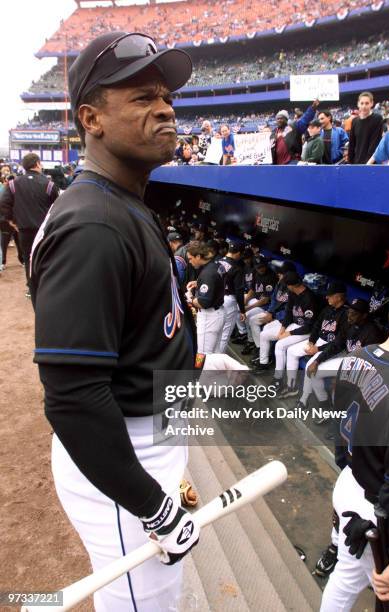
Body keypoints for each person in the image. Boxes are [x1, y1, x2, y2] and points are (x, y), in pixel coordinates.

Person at [29, 31, 244, 612]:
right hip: (126, 456)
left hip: (151, 432)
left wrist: (193, 361)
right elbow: (72, 398)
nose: (166, 108)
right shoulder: (94, 226)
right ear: (91, 118)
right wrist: (154, 506)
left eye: (167, 96)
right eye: (143, 97)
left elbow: (137, 336)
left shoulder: (124, 202)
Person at [320, 283, 389, 611]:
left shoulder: (357, 358)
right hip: (382, 511)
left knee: (347, 574)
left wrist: (350, 467)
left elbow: (338, 425)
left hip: (351, 485)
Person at [0, 153, 59, 295]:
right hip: (44, 229)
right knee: (47, 256)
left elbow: (3, 203)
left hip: (24, 229)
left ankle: (32, 289)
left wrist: (11, 221)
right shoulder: (49, 184)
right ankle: (46, 288)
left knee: (29, 258)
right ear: (38, 164)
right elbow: (57, 205)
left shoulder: (14, 184)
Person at [293, 282, 347, 409]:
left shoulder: (346, 314)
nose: (327, 298)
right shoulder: (327, 308)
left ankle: (304, 399)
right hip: (318, 342)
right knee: (292, 352)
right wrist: (312, 341)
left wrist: (318, 348)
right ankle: (296, 391)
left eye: (330, 295)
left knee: (309, 367)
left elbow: (339, 342)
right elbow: (317, 325)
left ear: (339, 297)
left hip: (333, 348)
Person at [271, 271, 319, 395]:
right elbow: (288, 313)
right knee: (280, 342)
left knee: (281, 345)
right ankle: (279, 379)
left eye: (287, 285)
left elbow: (309, 326)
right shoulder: (293, 293)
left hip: (307, 330)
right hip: (296, 325)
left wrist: (289, 333)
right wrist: (283, 328)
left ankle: (282, 381)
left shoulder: (309, 298)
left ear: (291, 285)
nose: (287, 287)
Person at [251, 261, 296, 373]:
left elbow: (290, 311)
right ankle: (264, 354)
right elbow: (274, 300)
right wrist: (270, 313)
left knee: (265, 333)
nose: (278, 276)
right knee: (262, 326)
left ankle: (264, 362)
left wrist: (275, 316)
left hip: (288, 321)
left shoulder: (293, 288)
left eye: (281, 274)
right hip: (277, 316)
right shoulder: (280, 283)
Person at [187, 240, 225, 353]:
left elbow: (203, 303)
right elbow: (216, 282)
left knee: (204, 356)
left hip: (210, 316)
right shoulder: (217, 263)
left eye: (190, 258)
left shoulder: (207, 274)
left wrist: (190, 298)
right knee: (215, 354)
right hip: (219, 312)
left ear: (198, 256)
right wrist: (199, 283)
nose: (189, 262)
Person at [241, 256, 277, 356]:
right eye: (258, 267)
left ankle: (258, 347)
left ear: (265, 265)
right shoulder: (256, 272)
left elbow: (265, 300)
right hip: (257, 300)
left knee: (249, 317)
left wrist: (248, 307)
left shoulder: (271, 277)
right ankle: (250, 340)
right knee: (243, 310)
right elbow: (252, 289)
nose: (260, 269)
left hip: (266, 306)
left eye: (261, 267)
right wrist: (245, 301)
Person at [271, 100, 319, 165]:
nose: (279, 120)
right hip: (278, 165)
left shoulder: (294, 127)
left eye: (281, 118)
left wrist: (313, 108)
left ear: (286, 119)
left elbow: (305, 119)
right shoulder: (274, 132)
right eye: (277, 118)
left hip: (291, 162)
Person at [218, 241, 246, 352]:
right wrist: (242, 310)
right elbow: (239, 291)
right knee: (224, 334)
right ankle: (218, 362)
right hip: (228, 299)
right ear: (238, 253)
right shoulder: (237, 267)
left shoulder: (217, 261)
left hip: (215, 297)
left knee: (216, 331)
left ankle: (210, 359)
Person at [348, 92, 384, 164]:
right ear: (358, 104)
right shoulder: (354, 121)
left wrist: (368, 163)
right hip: (357, 162)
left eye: (367, 103)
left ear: (372, 103)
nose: (364, 106)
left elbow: (375, 143)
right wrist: (351, 162)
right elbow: (352, 144)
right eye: (362, 103)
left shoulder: (377, 119)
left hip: (372, 162)